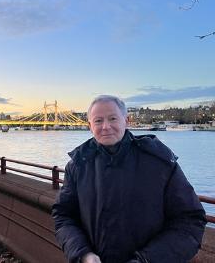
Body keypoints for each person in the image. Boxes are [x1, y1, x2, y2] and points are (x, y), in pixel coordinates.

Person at [52, 95, 207, 263]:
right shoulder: (78, 165)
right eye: (98, 121)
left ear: (126, 121)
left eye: (113, 118)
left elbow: (190, 220)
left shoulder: (159, 162)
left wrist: (147, 260)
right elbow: (64, 216)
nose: (106, 127)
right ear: (90, 126)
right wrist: (83, 254)